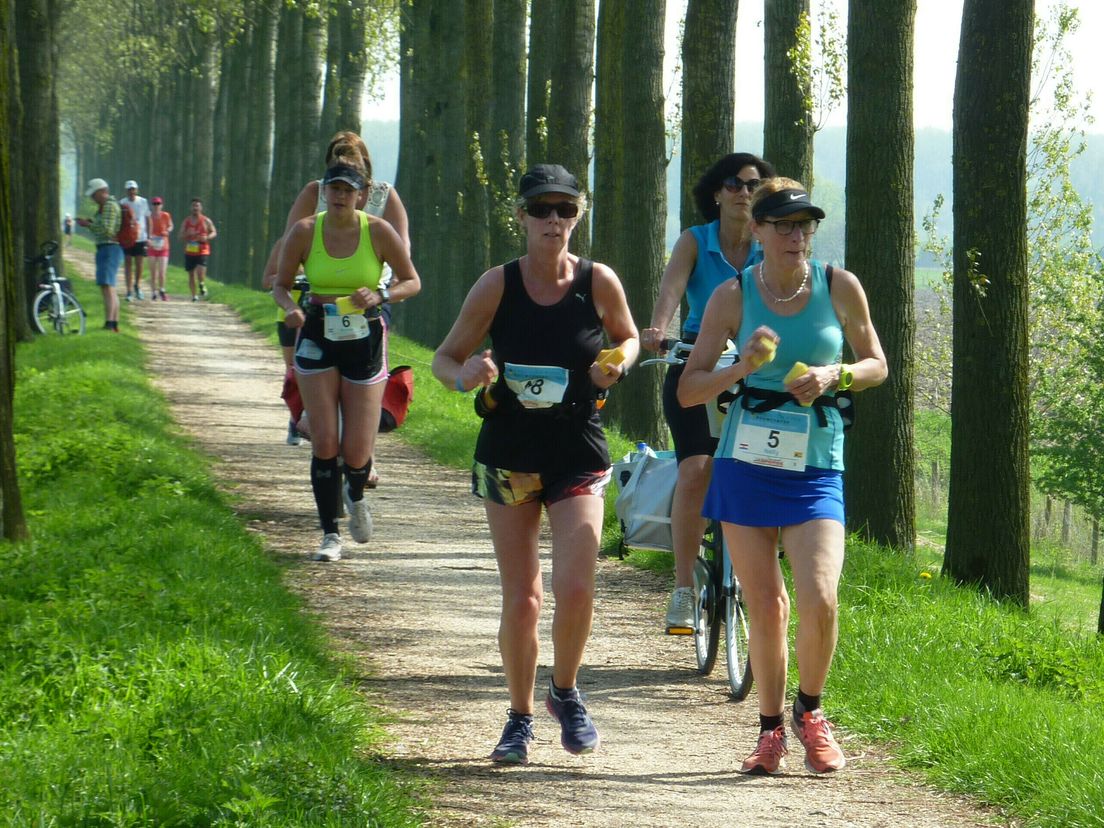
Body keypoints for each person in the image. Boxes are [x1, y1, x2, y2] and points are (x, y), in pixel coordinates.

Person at [678, 178, 887, 775]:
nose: (797, 236)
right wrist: (740, 366)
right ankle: (769, 731)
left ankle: (811, 712)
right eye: (785, 226)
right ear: (759, 231)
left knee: (820, 596)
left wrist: (834, 376)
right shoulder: (733, 295)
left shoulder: (838, 285)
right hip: (746, 461)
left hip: (817, 460)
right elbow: (690, 389)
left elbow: (877, 365)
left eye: (806, 226)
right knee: (767, 605)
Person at [432, 164, 639, 766]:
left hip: (577, 446)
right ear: (520, 215)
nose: (554, 221)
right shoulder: (496, 285)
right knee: (524, 597)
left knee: (577, 587)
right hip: (510, 454)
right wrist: (464, 374)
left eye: (565, 210)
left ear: (579, 215)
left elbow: (626, 338)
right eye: (542, 209)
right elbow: (447, 357)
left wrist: (616, 361)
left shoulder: (598, 281)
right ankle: (519, 717)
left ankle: (565, 691)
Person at [640, 152, 776, 634]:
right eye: (734, 184)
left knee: (765, 468)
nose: (744, 192)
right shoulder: (694, 242)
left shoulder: (771, 243)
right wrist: (658, 329)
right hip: (700, 358)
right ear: (716, 193)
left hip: (759, 368)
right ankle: (681, 589)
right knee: (696, 469)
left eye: (753, 184)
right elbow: (671, 292)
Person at [273, 160, 421, 562]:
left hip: (364, 335)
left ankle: (354, 494)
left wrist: (381, 296)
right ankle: (329, 534)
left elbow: (411, 281)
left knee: (356, 450)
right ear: (325, 192)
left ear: (361, 195)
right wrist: (290, 308)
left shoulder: (378, 231)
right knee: (324, 441)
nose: (339, 196)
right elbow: (279, 284)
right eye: (333, 189)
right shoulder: (306, 231)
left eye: (347, 190)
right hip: (318, 332)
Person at [263, 131, 410, 453]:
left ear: (365, 174)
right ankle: (306, 413)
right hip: (322, 291)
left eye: (352, 170)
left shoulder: (385, 195)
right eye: (335, 169)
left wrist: (385, 286)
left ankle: (363, 452)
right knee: (306, 355)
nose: (341, 181)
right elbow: (292, 239)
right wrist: (286, 274)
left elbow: (403, 248)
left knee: (372, 370)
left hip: (369, 295)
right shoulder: (315, 191)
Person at [75, 178, 123, 331]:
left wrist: (88, 224)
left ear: (102, 192)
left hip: (109, 247)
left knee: (107, 286)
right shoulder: (104, 207)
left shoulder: (109, 206)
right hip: (108, 248)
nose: (92, 198)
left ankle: (110, 322)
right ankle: (113, 322)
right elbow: (103, 226)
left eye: (94, 194)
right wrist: (91, 222)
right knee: (109, 286)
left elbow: (107, 230)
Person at [119, 180, 151, 301]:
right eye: (129, 189)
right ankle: (128, 290)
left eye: (133, 189)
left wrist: (149, 236)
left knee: (139, 264)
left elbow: (148, 219)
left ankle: (137, 285)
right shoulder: (122, 203)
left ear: (136, 190)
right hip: (127, 238)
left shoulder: (143, 202)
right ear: (126, 191)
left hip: (141, 237)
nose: (131, 192)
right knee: (127, 263)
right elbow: (119, 222)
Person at [180, 198, 217, 301]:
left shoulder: (206, 220)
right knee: (191, 274)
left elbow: (214, 232)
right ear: (190, 208)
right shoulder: (186, 221)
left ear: (201, 208)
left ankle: (201, 283)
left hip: (202, 249)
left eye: (197, 206)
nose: (195, 208)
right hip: (190, 251)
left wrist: (207, 237)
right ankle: (194, 295)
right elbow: (180, 236)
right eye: (193, 206)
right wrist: (188, 234)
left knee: (200, 272)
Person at [147, 197, 173, 300]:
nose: (156, 206)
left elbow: (171, 226)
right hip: (152, 246)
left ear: (161, 205)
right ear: (152, 205)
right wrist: (148, 238)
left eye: (158, 204)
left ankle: (162, 290)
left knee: (162, 271)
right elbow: (145, 229)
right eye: (154, 204)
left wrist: (167, 231)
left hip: (164, 246)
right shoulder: (149, 217)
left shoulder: (166, 215)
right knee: (153, 271)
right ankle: (153, 292)